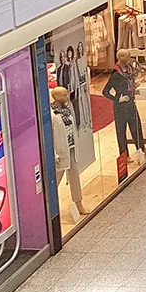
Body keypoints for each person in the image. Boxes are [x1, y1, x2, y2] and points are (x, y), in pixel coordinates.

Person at [50, 86, 89, 220]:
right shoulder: (51, 115)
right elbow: (49, 137)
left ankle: (79, 204)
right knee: (55, 181)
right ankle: (49, 208)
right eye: (64, 95)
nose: (67, 97)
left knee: (74, 177)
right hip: (60, 153)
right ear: (57, 98)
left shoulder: (66, 110)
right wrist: (54, 154)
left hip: (71, 148)